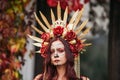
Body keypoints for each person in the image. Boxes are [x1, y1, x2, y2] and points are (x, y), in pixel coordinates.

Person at [28, 1, 91, 80]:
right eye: (52, 52)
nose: (56, 55)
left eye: (60, 50)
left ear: (69, 52)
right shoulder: (40, 79)